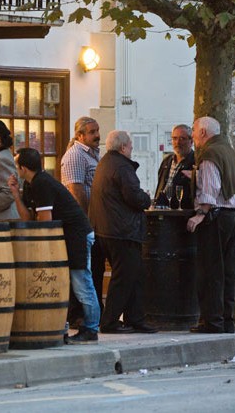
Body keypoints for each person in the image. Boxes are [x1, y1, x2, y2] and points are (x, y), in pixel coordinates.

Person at [8, 148, 100, 344]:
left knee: (82, 281)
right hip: (66, 236)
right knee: (74, 282)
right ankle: (81, 325)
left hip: (78, 235)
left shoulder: (42, 183)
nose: (16, 170)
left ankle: (91, 329)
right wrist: (16, 194)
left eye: (17, 166)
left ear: (23, 167)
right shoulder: (31, 183)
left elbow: (45, 221)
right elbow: (27, 217)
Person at [89, 130, 157, 334]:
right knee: (124, 276)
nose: (132, 149)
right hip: (121, 230)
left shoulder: (105, 163)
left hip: (105, 228)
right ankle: (109, 322)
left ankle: (135, 318)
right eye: (130, 146)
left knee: (133, 275)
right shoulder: (122, 167)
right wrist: (146, 198)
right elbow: (133, 197)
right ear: (123, 147)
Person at [187, 116, 235, 334]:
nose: (193, 136)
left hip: (216, 217)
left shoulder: (210, 154)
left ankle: (211, 322)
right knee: (228, 272)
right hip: (233, 216)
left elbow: (210, 191)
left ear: (203, 132)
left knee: (211, 271)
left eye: (194, 131)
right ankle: (226, 321)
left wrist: (200, 214)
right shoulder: (229, 151)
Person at [61, 117, 101, 326]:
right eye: (92, 132)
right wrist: (86, 220)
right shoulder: (75, 155)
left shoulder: (93, 154)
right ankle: (80, 317)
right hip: (82, 223)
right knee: (80, 271)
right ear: (80, 136)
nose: (97, 135)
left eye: (97, 130)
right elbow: (75, 190)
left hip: (94, 221)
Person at [154, 124, 195, 209]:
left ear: (191, 141)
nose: (177, 142)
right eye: (174, 138)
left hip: (183, 213)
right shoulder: (167, 161)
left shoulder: (195, 162)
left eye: (182, 138)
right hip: (163, 210)